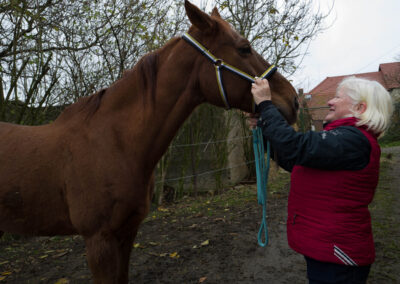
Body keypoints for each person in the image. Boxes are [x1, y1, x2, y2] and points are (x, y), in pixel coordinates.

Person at [249, 76, 394, 284]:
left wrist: (265, 104)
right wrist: (264, 127)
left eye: (337, 97)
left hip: (339, 257)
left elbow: (294, 146)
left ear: (360, 108)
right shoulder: (347, 139)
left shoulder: (354, 139)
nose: (330, 102)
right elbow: (295, 161)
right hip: (329, 251)